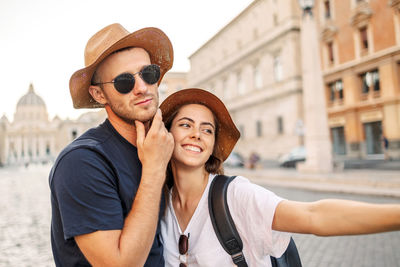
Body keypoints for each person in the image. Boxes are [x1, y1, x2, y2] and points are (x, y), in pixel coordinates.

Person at [159, 88, 400, 267]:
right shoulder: (160, 206)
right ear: (167, 133)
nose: (197, 135)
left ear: (212, 145)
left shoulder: (234, 196)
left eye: (207, 129)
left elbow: (314, 216)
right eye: (185, 125)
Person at [49, 23, 175, 266]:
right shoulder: (80, 162)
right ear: (99, 95)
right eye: (124, 82)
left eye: (148, 73)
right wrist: (154, 169)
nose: (141, 88)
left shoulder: (158, 145)